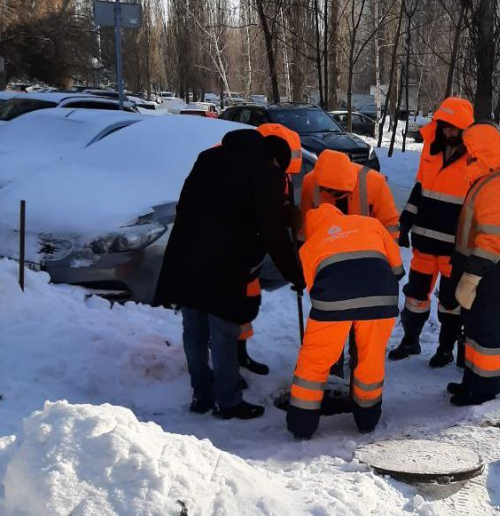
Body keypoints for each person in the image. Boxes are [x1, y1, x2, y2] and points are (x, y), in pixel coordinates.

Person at [156, 128, 304, 419]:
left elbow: (197, 202)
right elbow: (272, 232)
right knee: (223, 333)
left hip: (186, 253)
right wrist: (294, 273)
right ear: (275, 159)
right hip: (224, 262)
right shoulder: (266, 172)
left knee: (194, 332)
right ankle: (229, 402)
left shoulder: (209, 157)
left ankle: (202, 395)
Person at [286, 203, 404, 440]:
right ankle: (367, 419)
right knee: (370, 357)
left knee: (315, 360)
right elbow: (398, 268)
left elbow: (314, 290)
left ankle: (302, 424)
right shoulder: (370, 224)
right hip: (381, 296)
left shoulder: (310, 245)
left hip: (333, 301)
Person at [447, 122, 500, 407]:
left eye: (470, 151)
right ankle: (472, 380)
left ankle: (483, 389)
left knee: (486, 328)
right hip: (492, 268)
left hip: (493, 270)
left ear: (482, 150)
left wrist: (470, 279)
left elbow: (492, 241)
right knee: (475, 324)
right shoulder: (496, 172)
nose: (467, 156)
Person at [388, 97, 474, 367]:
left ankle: (445, 350)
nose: (448, 132)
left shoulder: (475, 157)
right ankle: (410, 340)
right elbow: (420, 190)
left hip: (453, 249)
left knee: (450, 302)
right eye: (444, 126)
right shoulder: (430, 149)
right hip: (424, 242)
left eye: (454, 128)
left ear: (465, 129)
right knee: (415, 296)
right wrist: (405, 222)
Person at [235, 122, 305, 377]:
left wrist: (287, 212)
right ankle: (228, 370)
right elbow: (270, 228)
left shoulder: (273, 169)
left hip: (249, 258)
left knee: (248, 304)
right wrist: (294, 273)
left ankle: (239, 356)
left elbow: (269, 206)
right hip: (232, 255)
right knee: (227, 314)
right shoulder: (241, 166)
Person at [300, 149, 398, 240]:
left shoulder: (375, 182)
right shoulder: (310, 182)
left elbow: (389, 224)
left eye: (339, 193)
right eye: (330, 191)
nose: (334, 195)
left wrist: (388, 253)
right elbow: (306, 223)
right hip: (328, 247)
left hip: (366, 245)